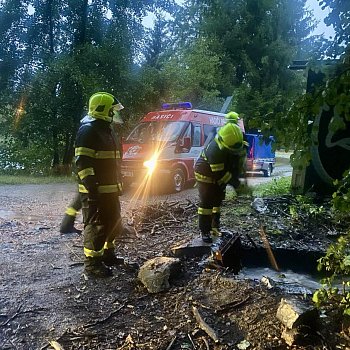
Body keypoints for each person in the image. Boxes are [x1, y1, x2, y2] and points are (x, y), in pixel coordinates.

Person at [75, 92, 124, 278]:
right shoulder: (88, 130)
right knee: (96, 226)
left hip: (110, 190)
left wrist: (119, 182)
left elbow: (112, 161)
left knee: (113, 223)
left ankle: (108, 255)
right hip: (95, 191)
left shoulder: (106, 129)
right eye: (112, 110)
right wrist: (91, 186)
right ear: (103, 110)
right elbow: (82, 162)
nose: (115, 114)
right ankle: (92, 265)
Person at [60, 108, 125, 235]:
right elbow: (84, 157)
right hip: (89, 174)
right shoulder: (91, 129)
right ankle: (66, 225)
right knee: (82, 199)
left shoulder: (98, 128)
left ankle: (66, 225)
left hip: (87, 174)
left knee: (79, 199)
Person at [194, 123, 246, 243]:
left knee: (217, 202)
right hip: (205, 176)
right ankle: (205, 231)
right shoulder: (214, 150)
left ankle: (215, 228)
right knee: (206, 205)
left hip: (219, 174)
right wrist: (237, 185)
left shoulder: (230, 142)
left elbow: (231, 165)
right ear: (223, 142)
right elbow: (221, 174)